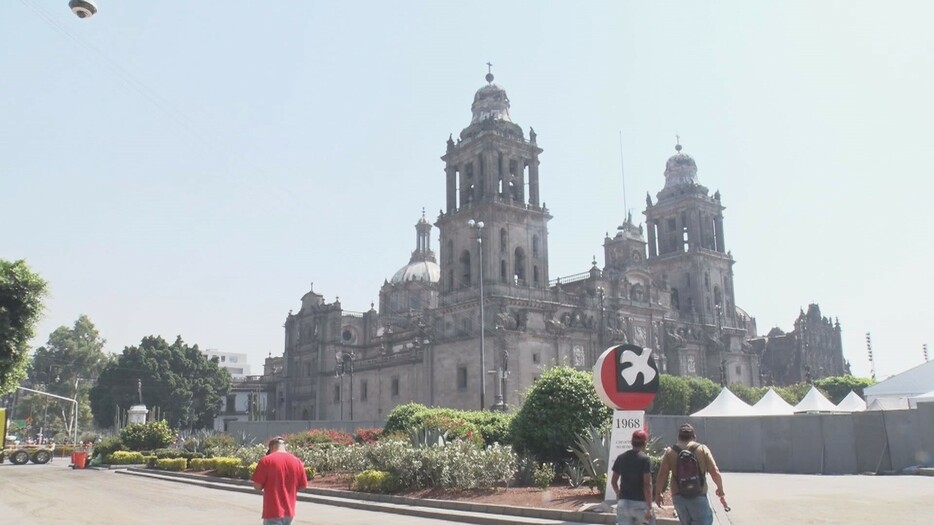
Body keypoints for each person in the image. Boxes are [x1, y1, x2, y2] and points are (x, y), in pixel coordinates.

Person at [654, 423, 724, 525]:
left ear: (678, 437)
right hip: (698, 494)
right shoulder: (702, 449)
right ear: (694, 437)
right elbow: (714, 471)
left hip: (679, 496)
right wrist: (720, 488)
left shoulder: (670, 452)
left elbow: (662, 475)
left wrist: (658, 493)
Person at [252, 437, 308, 525]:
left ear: (271, 448)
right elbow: (303, 485)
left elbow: (257, 486)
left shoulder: (266, 460)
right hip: (289, 511)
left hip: (272, 511)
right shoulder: (297, 461)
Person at [611, 429, 655, 525]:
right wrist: (650, 507)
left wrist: (619, 494)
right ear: (645, 443)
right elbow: (647, 484)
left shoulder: (621, 458)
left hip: (623, 503)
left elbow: (613, 481)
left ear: (632, 442)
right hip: (640, 504)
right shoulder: (645, 460)